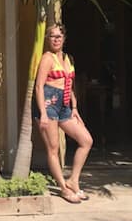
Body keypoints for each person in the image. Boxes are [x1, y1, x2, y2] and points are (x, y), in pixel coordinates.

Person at [33, 24, 93, 203]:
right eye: (52, 36)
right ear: (48, 39)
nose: (56, 39)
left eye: (59, 36)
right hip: (49, 104)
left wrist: (74, 108)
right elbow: (39, 86)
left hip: (64, 105)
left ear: (64, 38)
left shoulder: (68, 58)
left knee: (86, 140)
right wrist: (43, 113)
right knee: (53, 148)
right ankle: (63, 188)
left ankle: (73, 180)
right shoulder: (47, 58)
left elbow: (70, 85)